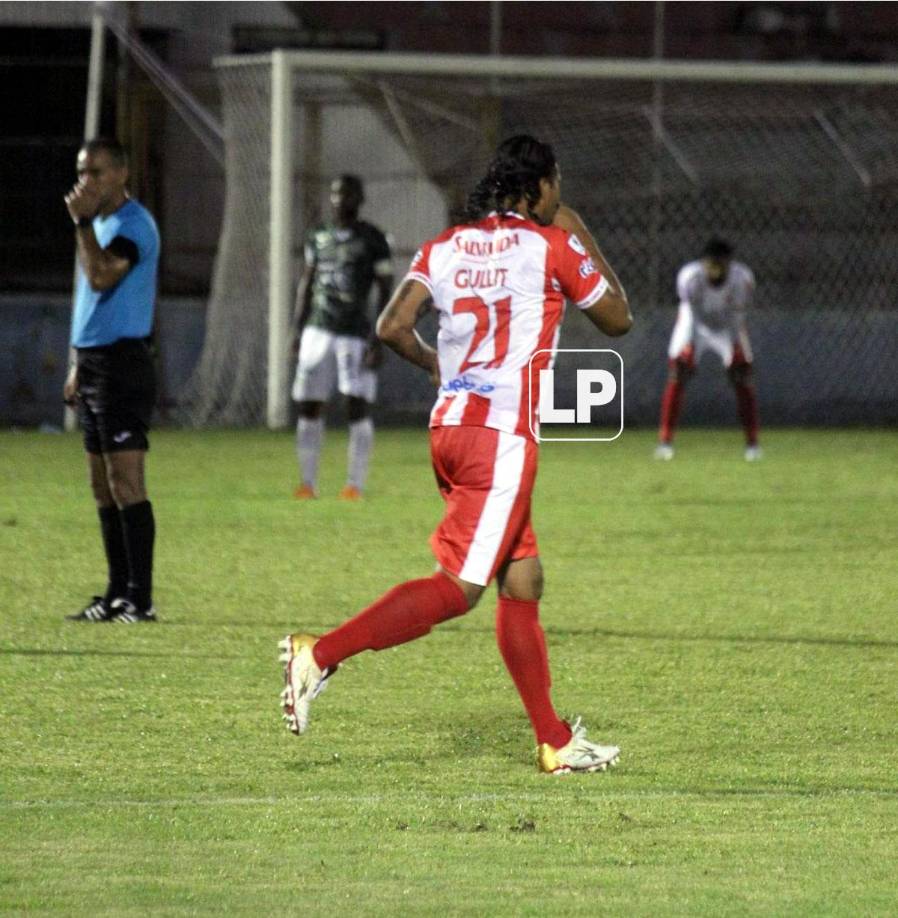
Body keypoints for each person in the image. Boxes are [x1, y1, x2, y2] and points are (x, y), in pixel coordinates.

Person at [278, 135, 632, 774]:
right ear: (540, 189)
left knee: (523, 579)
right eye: (557, 186)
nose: (560, 196)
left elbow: (391, 325)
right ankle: (319, 652)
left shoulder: (445, 246)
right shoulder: (551, 243)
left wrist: (439, 365)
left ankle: (553, 739)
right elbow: (618, 318)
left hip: (450, 428)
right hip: (500, 438)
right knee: (459, 590)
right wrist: (581, 235)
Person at [62, 137, 160, 623]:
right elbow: (94, 301)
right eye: (82, 172)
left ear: (122, 174)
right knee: (102, 485)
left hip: (124, 365)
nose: (87, 183)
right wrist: (80, 363)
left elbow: (102, 278)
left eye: (97, 173)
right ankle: (115, 592)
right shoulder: (100, 223)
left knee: (127, 481)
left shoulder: (133, 225)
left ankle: (141, 599)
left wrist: (81, 223)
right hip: (96, 362)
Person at [291, 175, 393, 500]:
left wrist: (380, 337)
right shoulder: (318, 236)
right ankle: (307, 483)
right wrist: (296, 330)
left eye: (347, 193)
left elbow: (387, 290)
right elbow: (306, 283)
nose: (340, 199)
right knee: (309, 405)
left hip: (355, 333)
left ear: (359, 198)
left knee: (356, 405)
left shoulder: (373, 238)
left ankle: (354, 485)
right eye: (335, 193)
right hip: (318, 329)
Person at [655, 238, 761, 461]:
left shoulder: (742, 279)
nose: (715, 269)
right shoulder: (690, 278)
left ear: (729, 264)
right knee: (679, 372)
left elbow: (737, 318)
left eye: (720, 263)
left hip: (727, 327)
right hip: (695, 325)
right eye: (711, 263)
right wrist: (688, 347)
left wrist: (736, 349)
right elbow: (691, 316)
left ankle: (752, 444)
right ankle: (665, 441)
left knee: (742, 375)